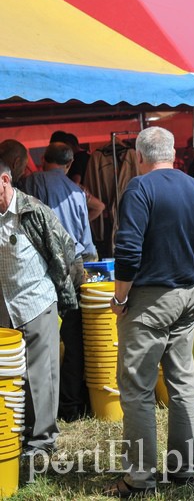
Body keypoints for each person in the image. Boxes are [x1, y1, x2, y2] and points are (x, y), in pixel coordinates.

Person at [105, 126, 194, 497]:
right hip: (188, 296)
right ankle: (183, 470)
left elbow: (127, 251)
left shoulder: (139, 188)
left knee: (137, 387)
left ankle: (139, 479)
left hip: (149, 299)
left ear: (139, 157)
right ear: (174, 155)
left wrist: (121, 299)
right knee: (182, 383)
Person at [0, 158, 77, 456]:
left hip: (36, 301)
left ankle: (42, 441)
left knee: (39, 375)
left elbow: (65, 249)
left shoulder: (33, 211)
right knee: (11, 377)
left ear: (5, 181)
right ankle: (16, 435)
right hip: (4, 306)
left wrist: (63, 293)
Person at [21, 141, 98, 422]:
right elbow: (86, 239)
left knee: (41, 336)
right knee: (75, 338)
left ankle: (43, 407)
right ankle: (71, 404)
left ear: (44, 161)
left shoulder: (32, 182)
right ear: (68, 165)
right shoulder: (77, 192)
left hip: (42, 266)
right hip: (75, 263)